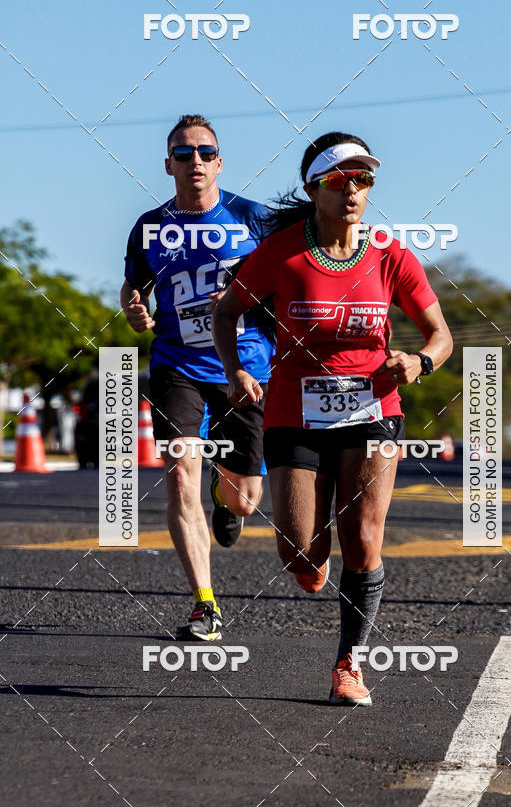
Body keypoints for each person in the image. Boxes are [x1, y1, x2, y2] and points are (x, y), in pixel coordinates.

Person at [213, 131, 453, 704]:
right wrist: (236, 371)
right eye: (339, 180)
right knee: (300, 550)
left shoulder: (392, 255)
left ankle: (349, 663)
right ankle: (309, 560)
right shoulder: (282, 253)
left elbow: (440, 337)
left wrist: (417, 364)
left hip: (374, 408)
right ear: (313, 188)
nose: (353, 190)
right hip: (294, 410)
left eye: (363, 179)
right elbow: (227, 314)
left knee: (364, 539)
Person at [121, 114, 274, 640]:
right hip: (175, 365)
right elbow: (133, 287)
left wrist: (242, 302)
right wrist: (134, 309)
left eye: (205, 152)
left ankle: (225, 500)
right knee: (181, 470)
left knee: (243, 499)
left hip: (246, 368)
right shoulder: (149, 226)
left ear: (219, 161)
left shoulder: (254, 219)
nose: (196, 162)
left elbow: (290, 285)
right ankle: (204, 604)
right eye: (183, 155)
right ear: (168, 165)